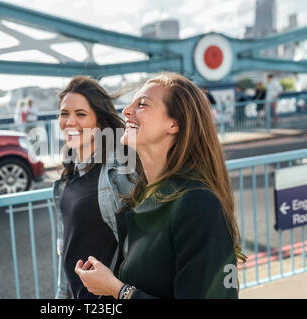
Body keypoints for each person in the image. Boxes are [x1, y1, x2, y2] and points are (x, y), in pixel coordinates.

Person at [75, 72, 247, 299]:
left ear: (174, 123)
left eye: (142, 104)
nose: (126, 111)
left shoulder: (198, 204)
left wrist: (118, 290)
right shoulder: (141, 197)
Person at [54, 76, 137, 299]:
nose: (70, 122)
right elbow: (67, 247)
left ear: (100, 122)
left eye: (80, 114)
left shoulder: (119, 173)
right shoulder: (67, 178)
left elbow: (139, 246)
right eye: (64, 114)